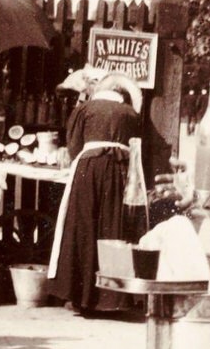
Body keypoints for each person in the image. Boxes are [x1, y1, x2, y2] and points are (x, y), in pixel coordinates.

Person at [46, 72, 143, 314]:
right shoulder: (130, 113)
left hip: (88, 170)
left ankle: (80, 296)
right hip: (119, 171)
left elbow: (73, 145)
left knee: (83, 227)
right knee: (113, 228)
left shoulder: (85, 109)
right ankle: (113, 299)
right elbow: (137, 145)